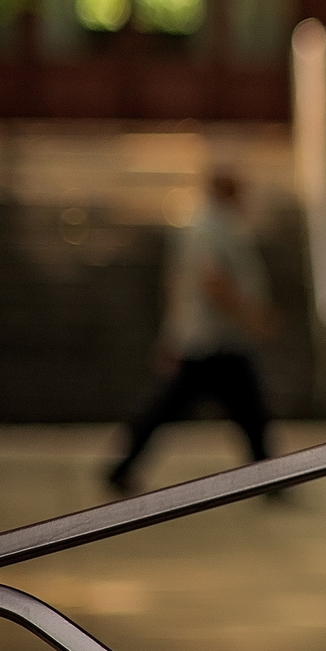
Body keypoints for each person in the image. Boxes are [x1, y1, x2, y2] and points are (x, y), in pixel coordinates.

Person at [107, 168, 279, 493]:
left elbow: (175, 283)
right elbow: (213, 282)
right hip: (212, 341)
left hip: (210, 339)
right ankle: (269, 479)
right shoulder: (212, 228)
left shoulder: (206, 226)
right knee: (229, 410)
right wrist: (252, 317)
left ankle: (269, 478)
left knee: (246, 412)